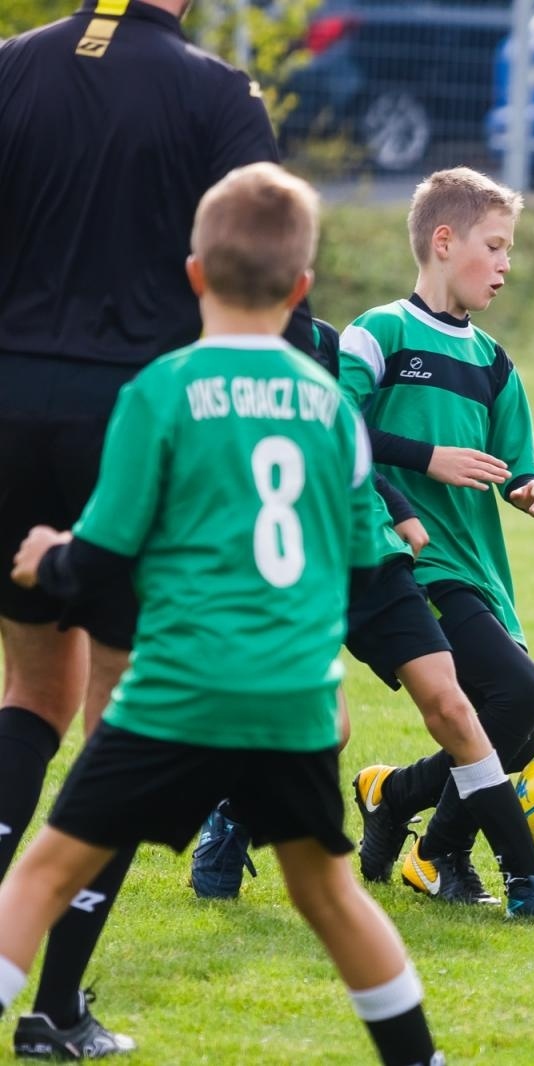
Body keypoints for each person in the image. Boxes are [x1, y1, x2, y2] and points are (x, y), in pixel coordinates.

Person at [0, 163, 443, 1065]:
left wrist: (49, 558)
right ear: (302, 289)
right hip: (292, 701)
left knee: (45, 874)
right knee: (327, 895)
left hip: (179, 692)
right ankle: (418, 1058)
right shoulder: (329, 408)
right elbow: (367, 566)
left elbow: (103, 560)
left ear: (193, 275)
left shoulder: (161, 391)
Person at [0, 0, 310, 1053]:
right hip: (129, 422)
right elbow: (270, 269)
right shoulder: (216, 91)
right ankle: (53, 1006)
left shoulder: (12, 66)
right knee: (116, 715)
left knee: (30, 688)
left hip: (6, 406)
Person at [189, 308, 534, 923]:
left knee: (461, 711)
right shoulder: (197, 367)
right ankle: (236, 812)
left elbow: (344, 435)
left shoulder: (324, 342)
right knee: (328, 731)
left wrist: (397, 505)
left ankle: (525, 885)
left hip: (377, 552)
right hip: (295, 561)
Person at [335, 168, 534, 913]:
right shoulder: (380, 333)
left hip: (479, 571)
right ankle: (439, 854)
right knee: (517, 692)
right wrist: (423, 457)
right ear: (444, 241)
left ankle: (394, 795)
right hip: (412, 561)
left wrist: (528, 488)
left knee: (525, 730)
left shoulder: (495, 364)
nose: (507, 265)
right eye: (495, 247)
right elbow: (333, 424)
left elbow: (516, 461)